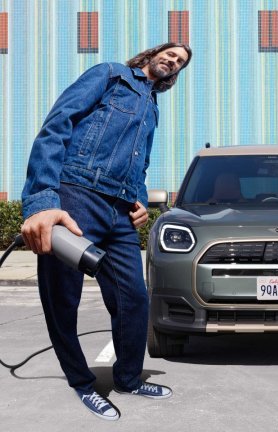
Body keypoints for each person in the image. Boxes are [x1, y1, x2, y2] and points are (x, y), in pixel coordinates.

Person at [20, 42, 192, 421]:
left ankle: (128, 379)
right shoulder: (111, 75)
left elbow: (140, 165)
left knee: (135, 298)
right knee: (63, 298)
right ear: (153, 54)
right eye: (170, 54)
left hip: (121, 211)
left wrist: (140, 199)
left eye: (179, 62)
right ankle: (82, 383)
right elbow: (57, 125)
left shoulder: (152, 108)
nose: (173, 61)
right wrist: (42, 200)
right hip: (77, 194)